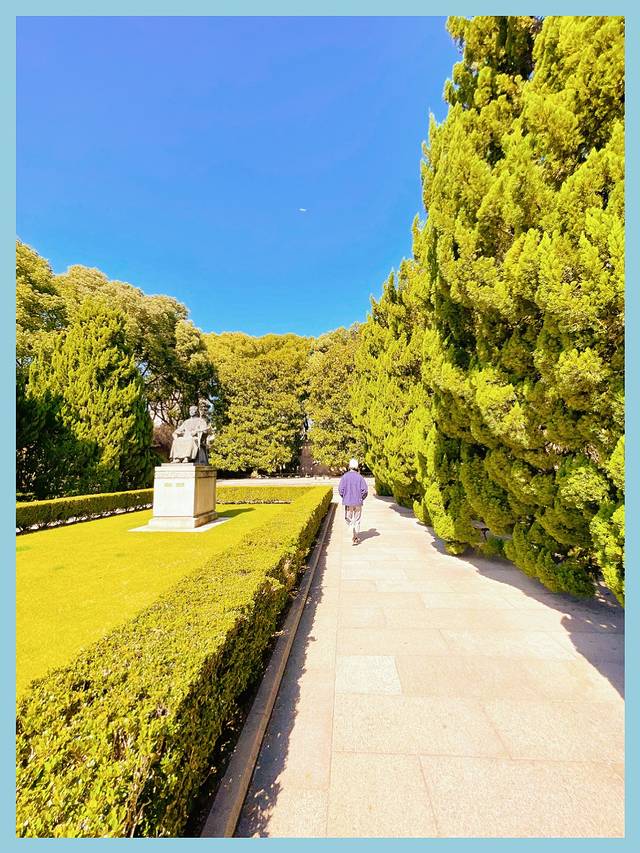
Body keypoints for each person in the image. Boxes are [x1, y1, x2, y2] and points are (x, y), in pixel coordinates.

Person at [338, 458, 368, 545]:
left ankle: (352, 530)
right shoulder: (360, 477)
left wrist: (345, 497)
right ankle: (355, 537)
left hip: (348, 502)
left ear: (349, 466)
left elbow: (340, 490)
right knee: (357, 519)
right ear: (356, 466)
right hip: (358, 502)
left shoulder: (345, 477)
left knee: (348, 519)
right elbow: (365, 490)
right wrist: (361, 498)